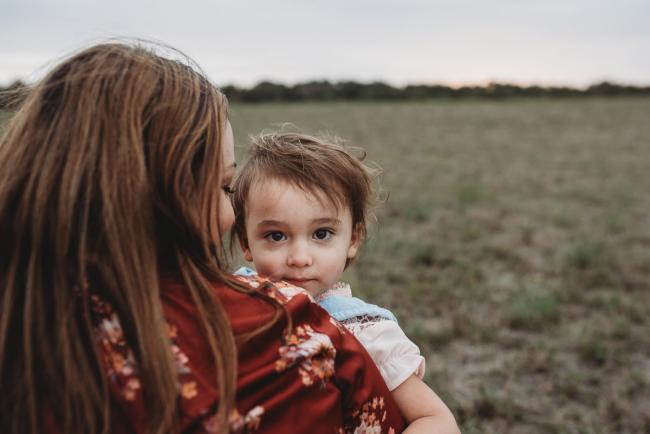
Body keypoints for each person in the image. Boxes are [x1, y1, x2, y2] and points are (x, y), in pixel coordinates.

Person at [0, 42, 406, 434]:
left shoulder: (25, 318)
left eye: (321, 233)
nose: (229, 213)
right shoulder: (286, 339)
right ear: (165, 194)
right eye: (224, 187)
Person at [231, 132, 461, 433]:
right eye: (276, 236)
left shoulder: (365, 331)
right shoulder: (231, 301)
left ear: (353, 239)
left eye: (321, 234)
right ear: (245, 242)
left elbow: (436, 420)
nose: (300, 258)